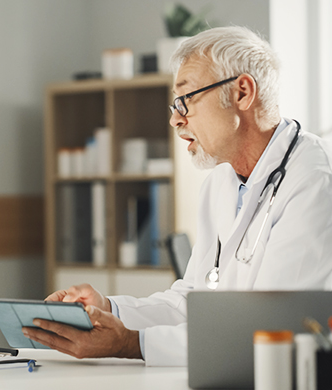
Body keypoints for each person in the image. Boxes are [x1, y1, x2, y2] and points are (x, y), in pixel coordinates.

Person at [22, 26, 332, 366]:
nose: (175, 119)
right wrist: (107, 309)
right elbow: (192, 301)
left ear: (242, 92)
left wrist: (130, 343)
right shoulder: (222, 181)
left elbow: (275, 328)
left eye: (186, 100)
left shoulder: (315, 181)